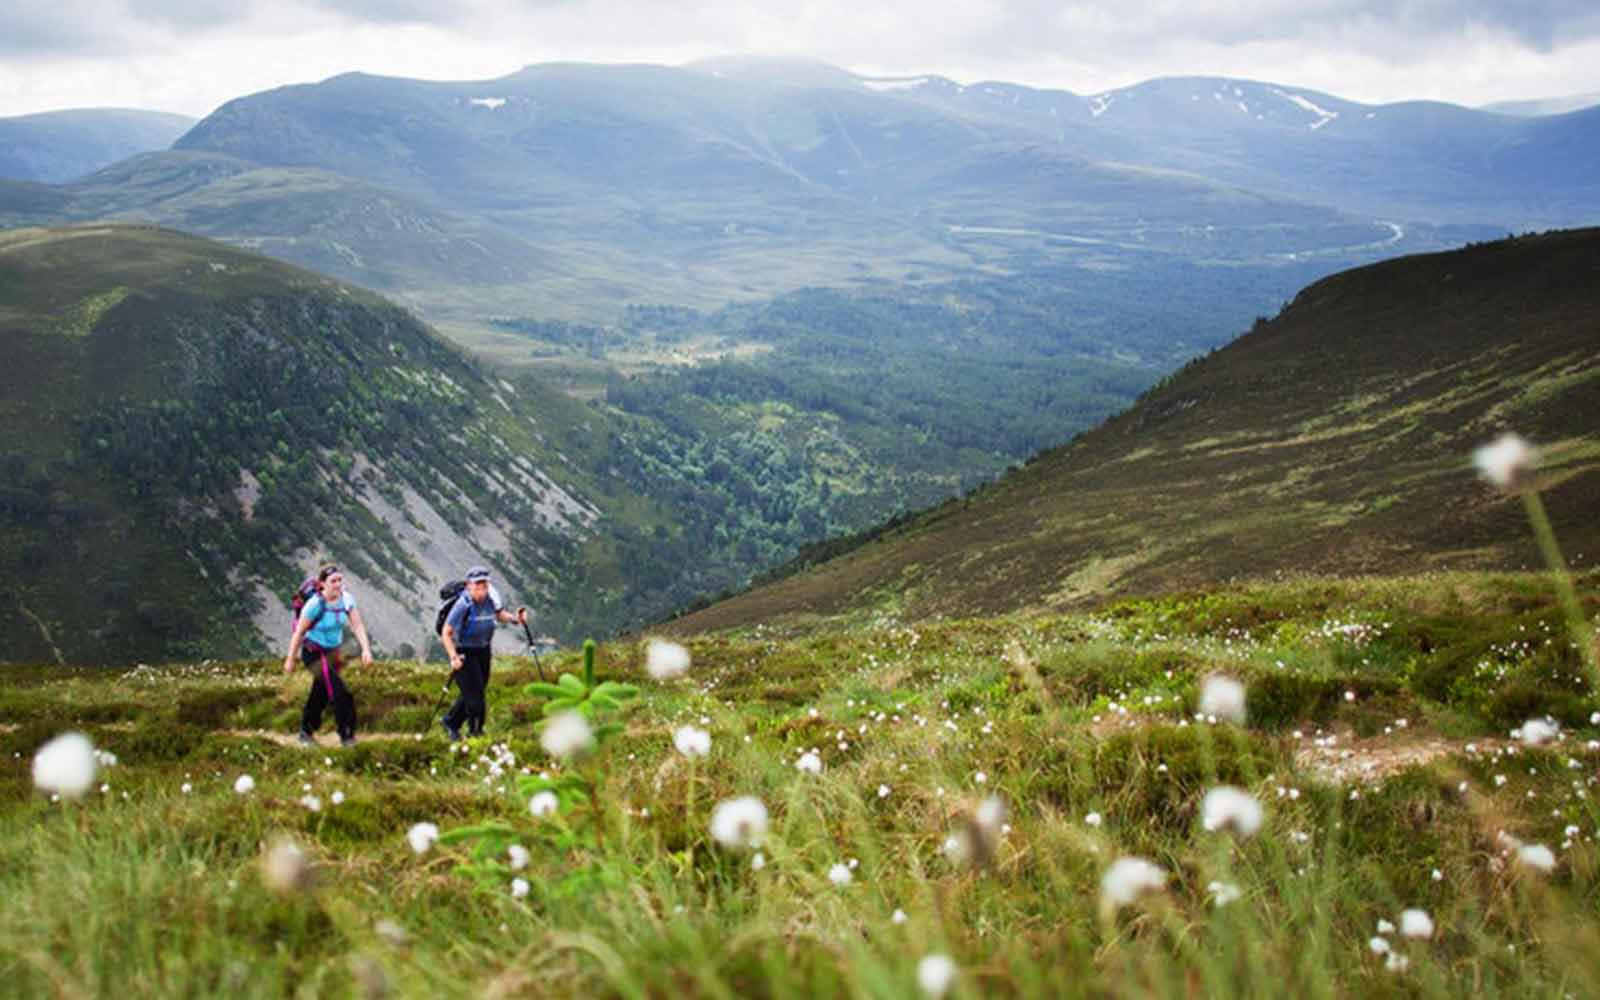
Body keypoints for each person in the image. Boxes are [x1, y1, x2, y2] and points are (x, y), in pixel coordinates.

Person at [283, 564, 373, 746]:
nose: (338, 584)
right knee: (339, 691)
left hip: (333, 653)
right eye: (333, 581)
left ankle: (305, 732)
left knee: (320, 692)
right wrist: (290, 659)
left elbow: (357, 625)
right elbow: (299, 633)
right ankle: (347, 735)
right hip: (313, 653)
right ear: (323, 584)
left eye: (340, 580)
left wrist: (366, 649)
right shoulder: (315, 604)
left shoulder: (347, 600)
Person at [439, 565, 527, 741]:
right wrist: (453, 657)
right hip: (464, 651)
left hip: (483, 649)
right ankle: (475, 733)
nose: (481, 590)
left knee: (475, 691)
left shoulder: (491, 598)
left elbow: (499, 614)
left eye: (484, 586)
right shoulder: (463, 604)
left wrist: (516, 620)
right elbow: (446, 633)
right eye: (477, 586)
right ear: (469, 586)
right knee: (476, 698)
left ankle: (450, 722)